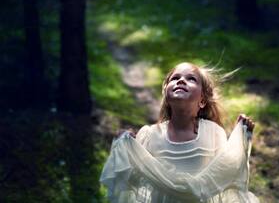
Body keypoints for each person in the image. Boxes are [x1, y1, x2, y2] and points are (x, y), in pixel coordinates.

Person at [100, 62, 260, 203]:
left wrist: (241, 139)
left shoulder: (213, 132)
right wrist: (125, 147)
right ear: (166, 95)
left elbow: (226, 175)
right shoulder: (150, 135)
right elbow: (134, 181)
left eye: (191, 79)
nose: (181, 80)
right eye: (175, 78)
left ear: (203, 100)